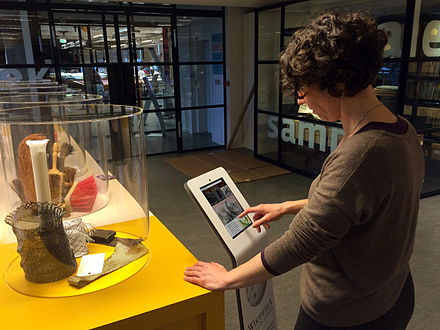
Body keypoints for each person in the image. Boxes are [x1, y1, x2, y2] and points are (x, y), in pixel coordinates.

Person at [184, 11, 424, 329]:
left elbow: (301, 242)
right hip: (392, 293)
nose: (303, 101)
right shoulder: (401, 130)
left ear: (338, 82)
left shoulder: (361, 154)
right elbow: (359, 203)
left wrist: (227, 279)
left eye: (305, 90)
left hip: (349, 314)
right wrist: (289, 206)